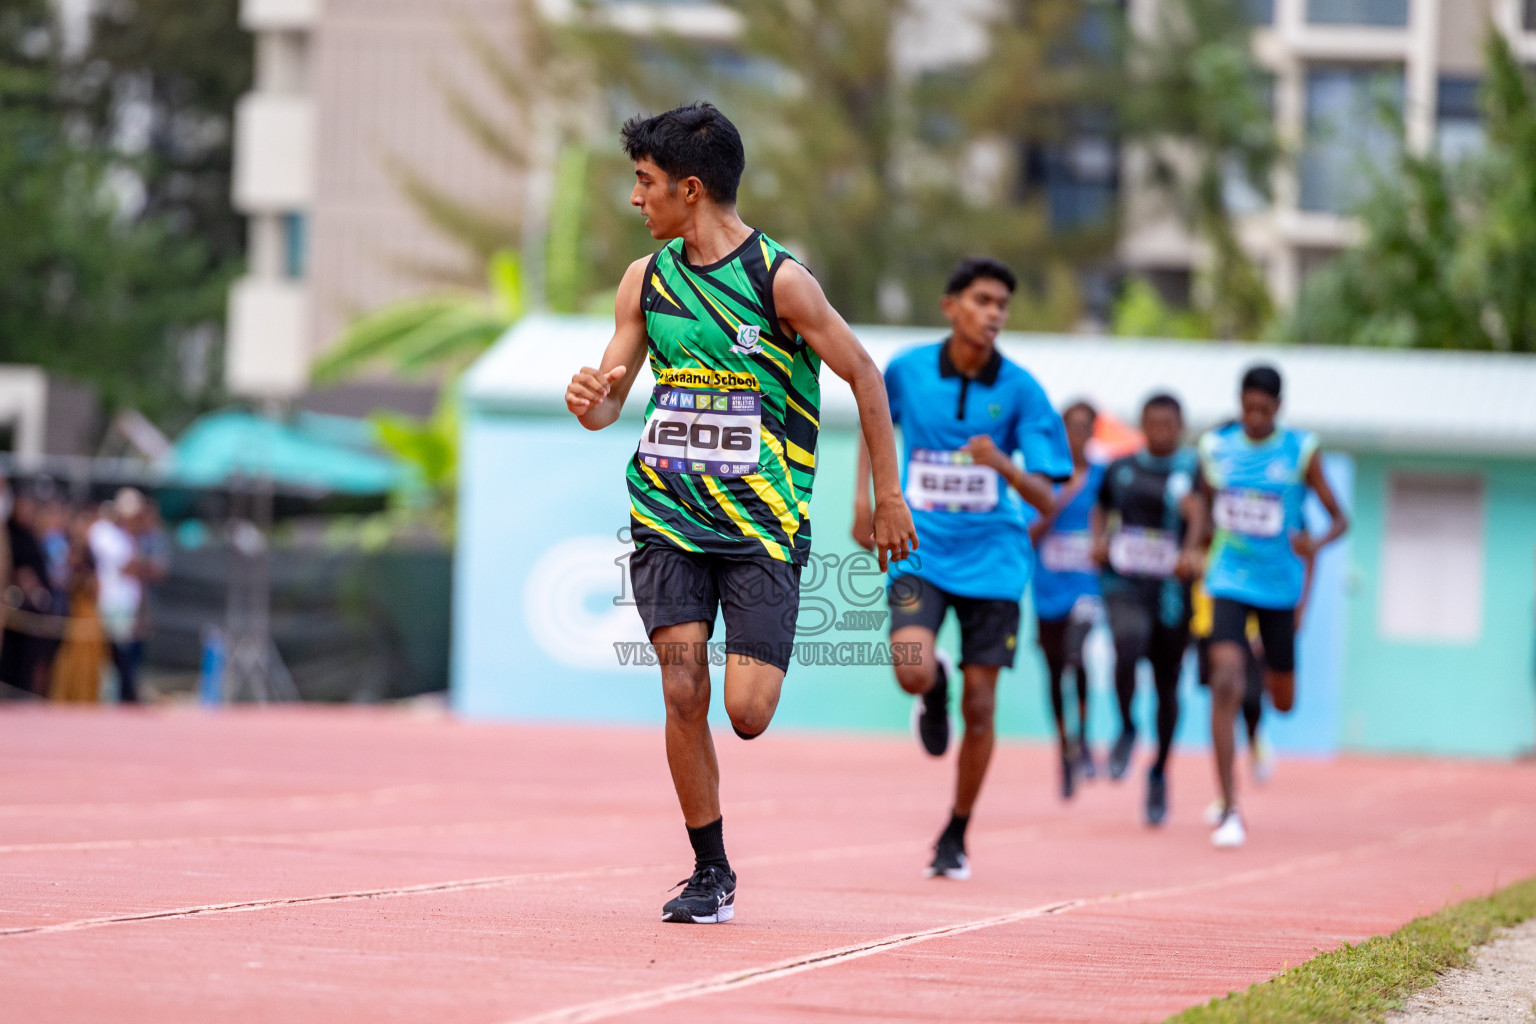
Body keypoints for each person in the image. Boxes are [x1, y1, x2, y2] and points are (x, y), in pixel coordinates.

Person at [564, 103, 917, 923]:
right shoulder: (645, 282)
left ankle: (713, 858)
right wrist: (590, 396)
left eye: (644, 183)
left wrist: (889, 494)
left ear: (691, 190)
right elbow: (605, 399)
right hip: (667, 517)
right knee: (682, 689)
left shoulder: (779, 281)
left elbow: (865, 375)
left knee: (747, 713)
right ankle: (710, 871)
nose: (634, 199)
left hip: (761, 526)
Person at [854, 257, 1071, 880]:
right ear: (951, 306)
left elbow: (1049, 496)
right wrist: (865, 502)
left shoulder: (1023, 391)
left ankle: (956, 831)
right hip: (921, 545)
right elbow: (877, 431)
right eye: (983, 300)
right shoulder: (907, 371)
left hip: (995, 562)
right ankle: (935, 686)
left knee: (983, 707)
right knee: (912, 672)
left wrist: (1002, 464)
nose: (995, 313)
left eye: (1003, 303)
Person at [1185, 364, 1348, 848]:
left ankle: (1259, 716)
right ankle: (1230, 808)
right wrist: (1195, 545)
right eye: (1247, 407)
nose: (1254, 416)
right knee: (1224, 682)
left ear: (1278, 407)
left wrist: (1314, 544)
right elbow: (1203, 508)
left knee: (1283, 699)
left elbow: (1341, 518)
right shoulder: (1217, 448)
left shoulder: (1301, 451)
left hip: (1279, 586)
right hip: (1229, 579)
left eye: (1264, 408)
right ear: (1239, 403)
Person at [1090, 393, 1201, 827]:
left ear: (1180, 426)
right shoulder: (1122, 468)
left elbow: (1204, 516)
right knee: (1127, 642)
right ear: (1142, 424)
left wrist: (1191, 549)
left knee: (1168, 687)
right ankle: (1126, 727)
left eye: (1168, 424)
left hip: (1172, 592)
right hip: (1125, 582)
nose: (1159, 431)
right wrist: (1098, 540)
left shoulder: (1193, 471)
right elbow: (1100, 508)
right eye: (1151, 422)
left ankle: (1158, 771)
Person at [1027, 401, 1104, 800]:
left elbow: (1117, 518)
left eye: (1085, 427)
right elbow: (1030, 535)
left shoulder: (1106, 477)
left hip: (1087, 586)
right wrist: (1058, 498)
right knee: (1056, 671)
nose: (1078, 435)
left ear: (1094, 431)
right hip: (1047, 589)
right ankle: (1064, 746)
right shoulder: (1045, 478)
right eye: (1071, 427)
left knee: (1078, 654)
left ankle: (1086, 737)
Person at [50, 513, 106, 704]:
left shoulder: (90, 552)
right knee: (71, 658)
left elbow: (97, 584)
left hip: (88, 611)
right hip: (73, 610)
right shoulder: (67, 549)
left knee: (89, 660)